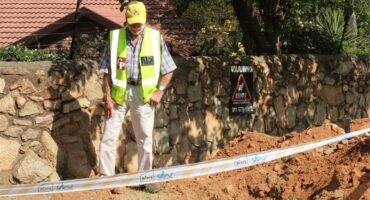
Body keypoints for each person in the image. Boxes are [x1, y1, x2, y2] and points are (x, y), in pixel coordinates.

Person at [98, 1, 177, 193]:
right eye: (133, 22)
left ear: (145, 20)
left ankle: (146, 180)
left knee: (145, 139)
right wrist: (107, 97)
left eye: (139, 22)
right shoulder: (115, 38)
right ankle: (104, 180)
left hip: (143, 95)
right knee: (108, 137)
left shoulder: (155, 38)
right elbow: (106, 71)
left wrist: (159, 91)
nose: (136, 26)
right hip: (118, 95)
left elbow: (169, 69)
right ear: (126, 20)